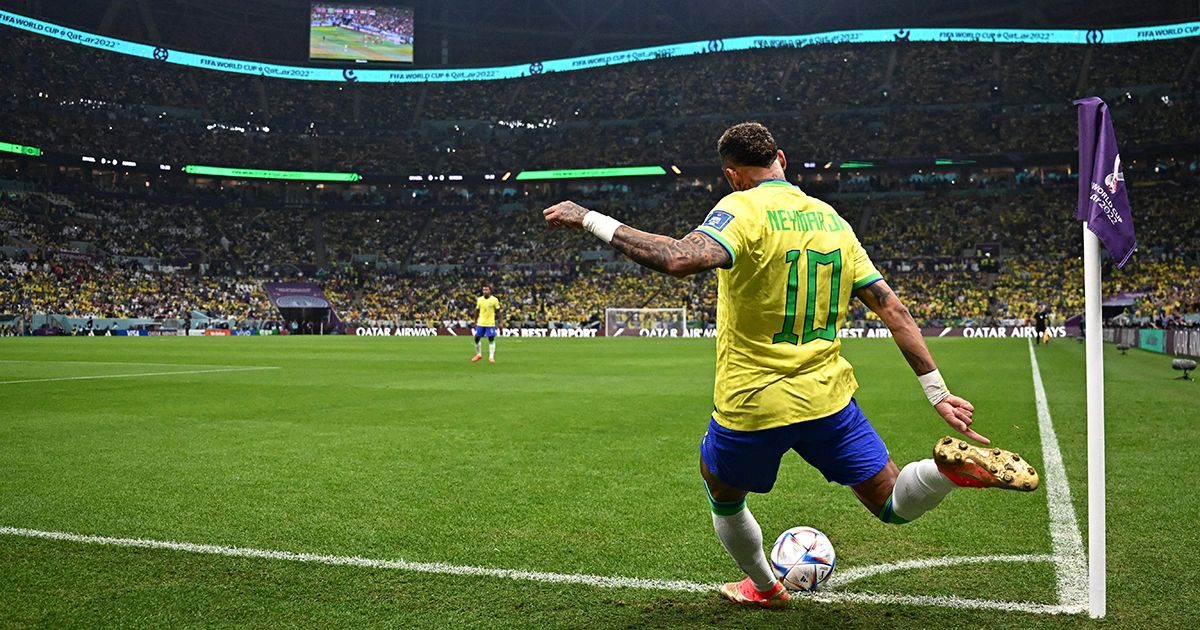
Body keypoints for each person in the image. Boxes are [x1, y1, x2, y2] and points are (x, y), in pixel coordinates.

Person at [542, 122, 1039, 608]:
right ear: (781, 159)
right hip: (829, 398)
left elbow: (678, 258)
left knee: (722, 491)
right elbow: (894, 309)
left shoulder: (740, 208)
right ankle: (945, 472)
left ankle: (763, 585)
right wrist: (938, 393)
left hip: (753, 401)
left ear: (734, 174)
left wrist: (588, 217)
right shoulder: (832, 219)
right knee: (891, 502)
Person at [472, 285, 501, 364]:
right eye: (484, 290)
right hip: (481, 323)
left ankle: (491, 357)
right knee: (476, 338)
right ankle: (478, 355)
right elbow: (477, 311)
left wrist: (500, 322)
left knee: (491, 339)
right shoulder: (479, 300)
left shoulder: (494, 300)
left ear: (490, 291)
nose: (485, 291)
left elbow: (498, 311)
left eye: (486, 290)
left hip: (490, 323)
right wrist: (475, 322)